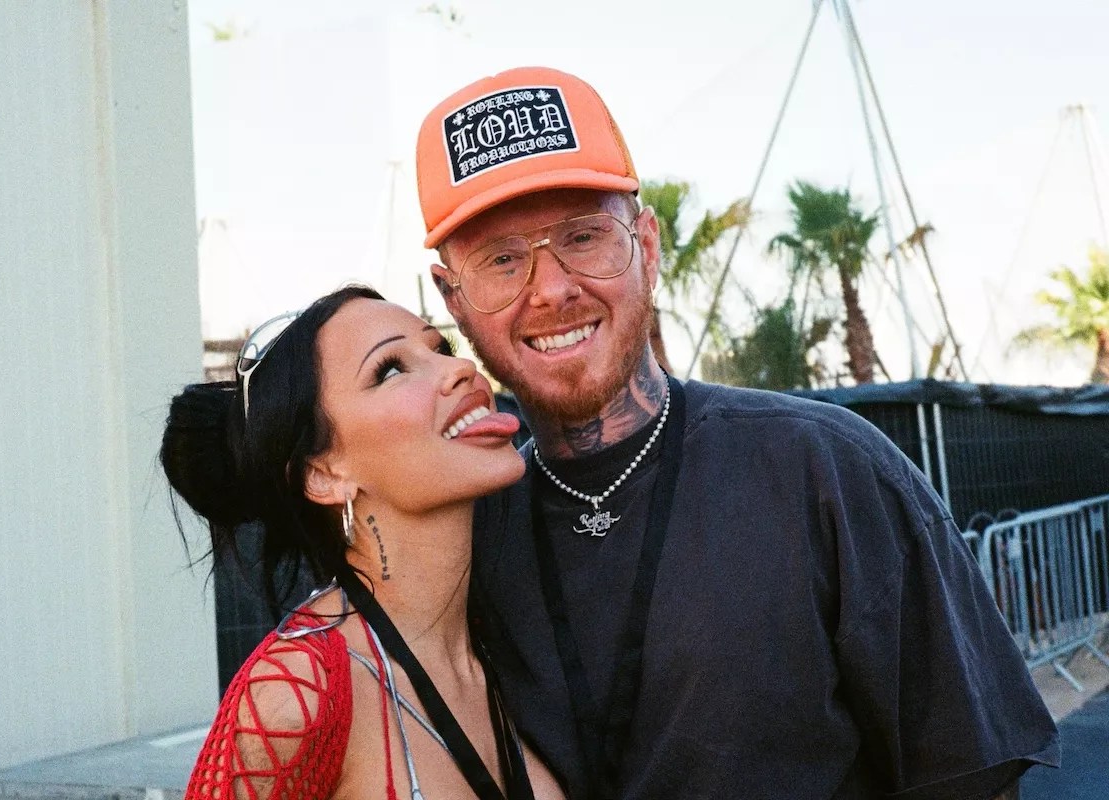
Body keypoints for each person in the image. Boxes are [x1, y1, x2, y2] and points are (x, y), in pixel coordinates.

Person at [414, 66, 1060, 799]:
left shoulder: (826, 470)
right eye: (502, 260)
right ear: (452, 298)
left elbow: (970, 778)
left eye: (584, 237)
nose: (553, 288)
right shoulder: (462, 540)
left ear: (647, 246)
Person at [160, 285, 565, 800]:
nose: (459, 369)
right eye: (390, 370)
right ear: (324, 474)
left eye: (439, 348)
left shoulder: (513, 647)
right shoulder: (297, 692)